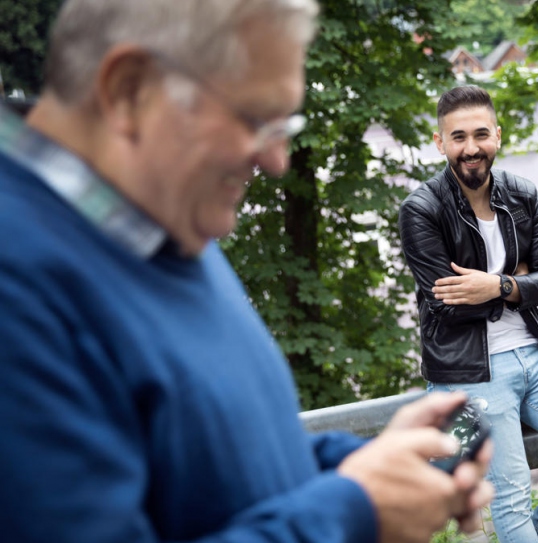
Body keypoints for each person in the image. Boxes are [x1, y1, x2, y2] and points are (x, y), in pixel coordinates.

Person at [0, 1, 493, 542]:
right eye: (257, 120)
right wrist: (354, 512)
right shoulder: (20, 290)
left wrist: (374, 465)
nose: (278, 160)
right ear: (129, 92)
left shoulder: (160, 213)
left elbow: (212, 463)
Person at [398, 84, 538, 543]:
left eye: (481, 134)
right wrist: (520, 282)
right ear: (440, 144)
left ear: (497, 136)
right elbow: (444, 303)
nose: (471, 147)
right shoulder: (421, 209)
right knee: (511, 495)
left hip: (537, 359)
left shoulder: (521, 193)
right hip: (469, 372)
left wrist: (494, 284)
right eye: (457, 137)